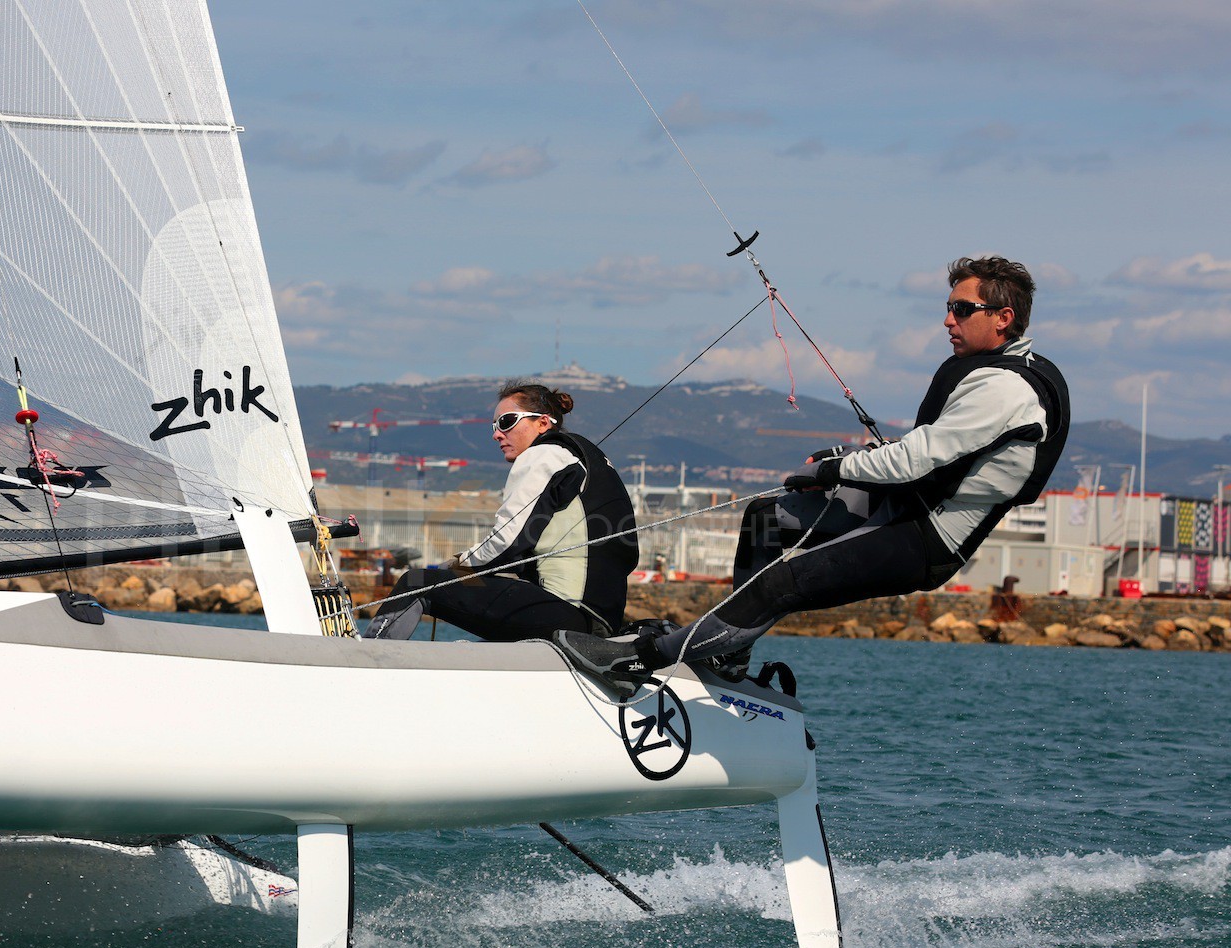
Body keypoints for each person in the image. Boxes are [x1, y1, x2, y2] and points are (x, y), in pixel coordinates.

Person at [556, 255, 1069, 691]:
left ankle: (638, 661)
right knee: (764, 519)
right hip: (900, 507)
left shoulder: (1007, 390)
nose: (947, 320)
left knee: (781, 583)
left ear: (1004, 317)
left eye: (962, 309)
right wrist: (845, 457)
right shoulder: (993, 374)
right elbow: (926, 453)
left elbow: (917, 460)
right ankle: (726, 656)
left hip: (926, 539)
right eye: (947, 308)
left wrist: (835, 467)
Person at [365, 380, 639, 642]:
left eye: (507, 422)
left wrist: (458, 565)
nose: (497, 433)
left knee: (416, 582)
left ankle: (364, 661)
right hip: (600, 621)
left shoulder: (544, 455)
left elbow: (509, 541)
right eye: (494, 425)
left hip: (564, 613)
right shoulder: (591, 460)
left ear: (542, 422)